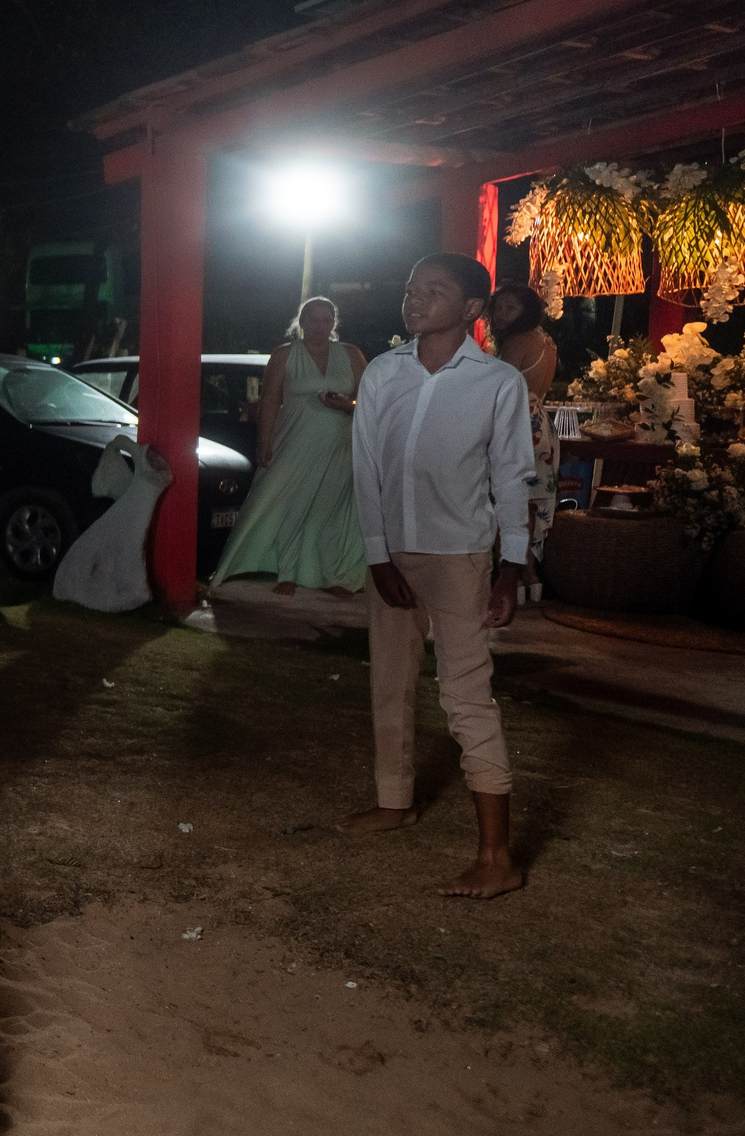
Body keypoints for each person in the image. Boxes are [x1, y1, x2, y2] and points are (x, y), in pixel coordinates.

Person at [341, 253, 536, 900]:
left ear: (473, 309)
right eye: (409, 288)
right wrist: (376, 554)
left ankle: (495, 854)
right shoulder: (383, 375)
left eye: (434, 290)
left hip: (460, 559)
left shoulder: (499, 384)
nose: (415, 300)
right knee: (389, 681)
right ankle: (394, 802)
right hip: (392, 555)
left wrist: (510, 570)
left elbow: (511, 480)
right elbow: (365, 467)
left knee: (465, 695)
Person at [211, 295, 368, 596]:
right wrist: (264, 441)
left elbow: (370, 400)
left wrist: (346, 404)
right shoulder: (284, 354)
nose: (320, 326)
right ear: (302, 321)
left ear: (334, 322)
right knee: (286, 502)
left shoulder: (351, 354)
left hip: (339, 444)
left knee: (330, 510)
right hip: (294, 440)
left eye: (326, 320)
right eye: (313, 319)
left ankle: (334, 575)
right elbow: (269, 400)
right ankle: (287, 572)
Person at [486, 282, 561, 574]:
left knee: (503, 501)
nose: (501, 314)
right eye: (498, 306)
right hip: (540, 424)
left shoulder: (518, 341)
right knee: (528, 502)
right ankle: (528, 577)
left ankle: (508, 575)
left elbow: (497, 389)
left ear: (526, 312)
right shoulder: (545, 340)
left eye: (510, 308)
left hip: (517, 423)